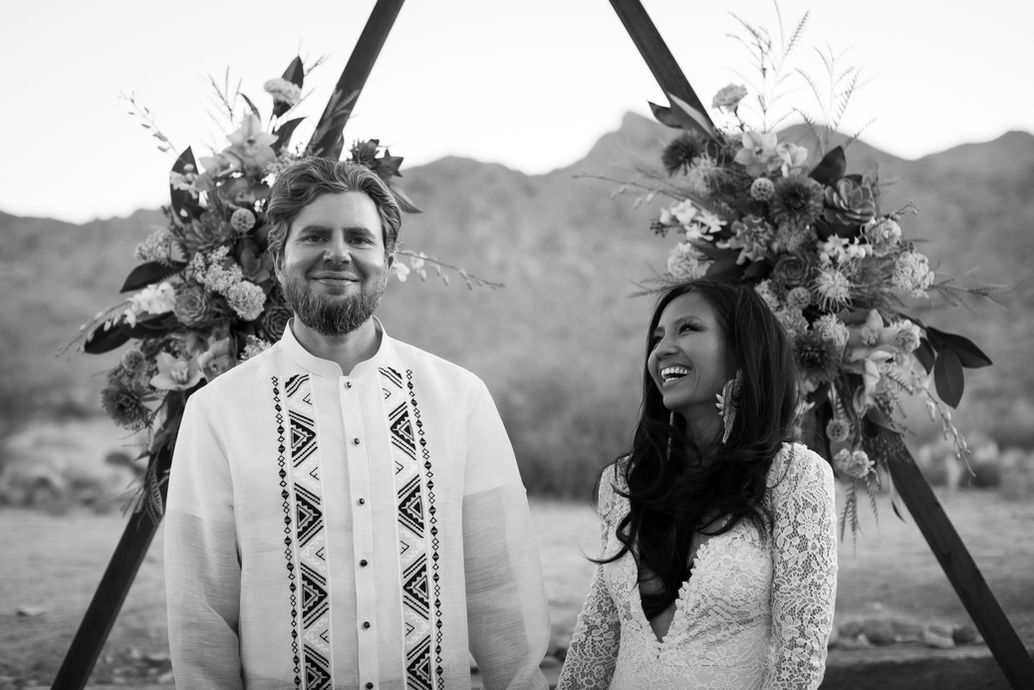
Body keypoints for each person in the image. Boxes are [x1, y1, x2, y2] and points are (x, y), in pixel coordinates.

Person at [164, 158, 551, 690]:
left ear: (387, 260)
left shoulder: (459, 399)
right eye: (316, 235)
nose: (338, 253)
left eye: (359, 238)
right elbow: (200, 614)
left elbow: (501, 592)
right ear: (279, 259)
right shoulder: (217, 413)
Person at [557, 278, 837, 689]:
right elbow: (595, 642)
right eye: (657, 337)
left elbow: (799, 663)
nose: (662, 349)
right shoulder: (628, 480)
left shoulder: (793, 477)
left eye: (687, 328)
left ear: (744, 349)